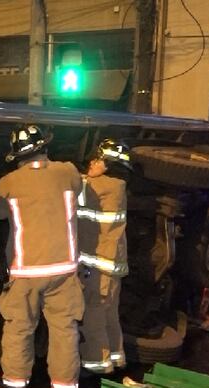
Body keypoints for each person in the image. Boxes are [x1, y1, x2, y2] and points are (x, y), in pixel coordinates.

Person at [0, 125, 84, 388]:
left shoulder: (9, 182)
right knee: (64, 328)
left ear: (18, 156)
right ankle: (64, 386)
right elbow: (78, 191)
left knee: (19, 326)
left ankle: (16, 382)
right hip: (64, 269)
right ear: (45, 147)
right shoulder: (68, 172)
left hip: (25, 270)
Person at [77, 139, 132, 375]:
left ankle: (96, 364)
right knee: (110, 311)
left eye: (97, 160)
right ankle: (116, 357)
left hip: (97, 262)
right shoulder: (119, 185)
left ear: (106, 164)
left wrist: (82, 176)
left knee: (94, 314)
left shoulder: (100, 185)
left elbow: (72, 193)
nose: (91, 163)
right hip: (112, 262)